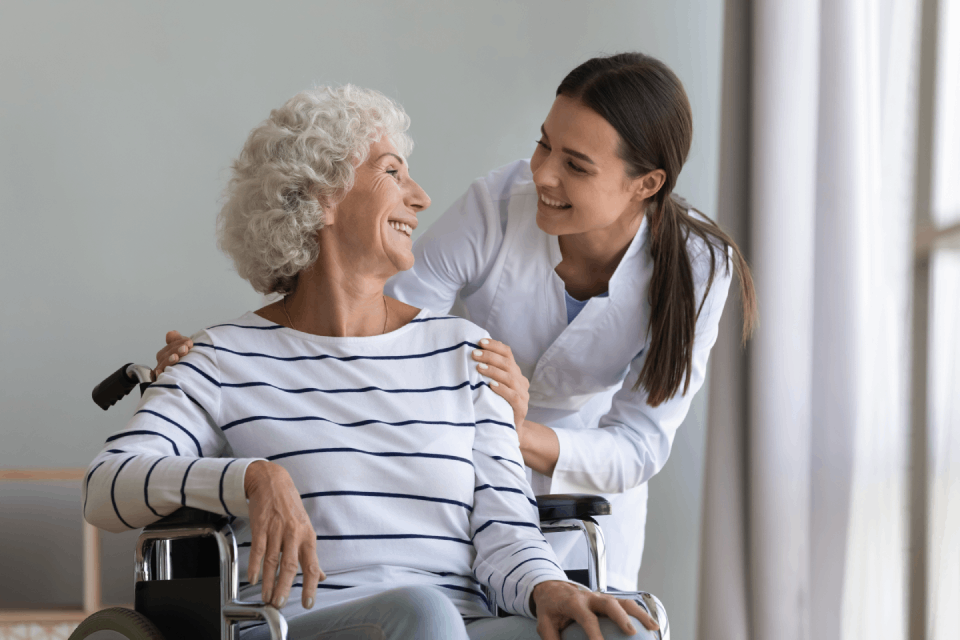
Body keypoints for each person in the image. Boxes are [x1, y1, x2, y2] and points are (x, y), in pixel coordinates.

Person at [156, 53, 757, 592]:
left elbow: (638, 444)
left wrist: (505, 428)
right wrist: (213, 373)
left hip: (573, 475)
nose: (543, 174)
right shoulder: (499, 204)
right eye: (544, 144)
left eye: (575, 165)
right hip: (456, 470)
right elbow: (379, 319)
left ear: (644, 184)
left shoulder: (700, 268)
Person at [84, 86, 660, 640]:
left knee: (618, 629)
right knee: (422, 616)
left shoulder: (464, 353)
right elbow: (105, 486)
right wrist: (250, 478)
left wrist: (547, 588)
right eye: (392, 171)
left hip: (465, 622)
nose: (421, 196)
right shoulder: (221, 358)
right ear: (319, 195)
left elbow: (506, 531)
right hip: (306, 625)